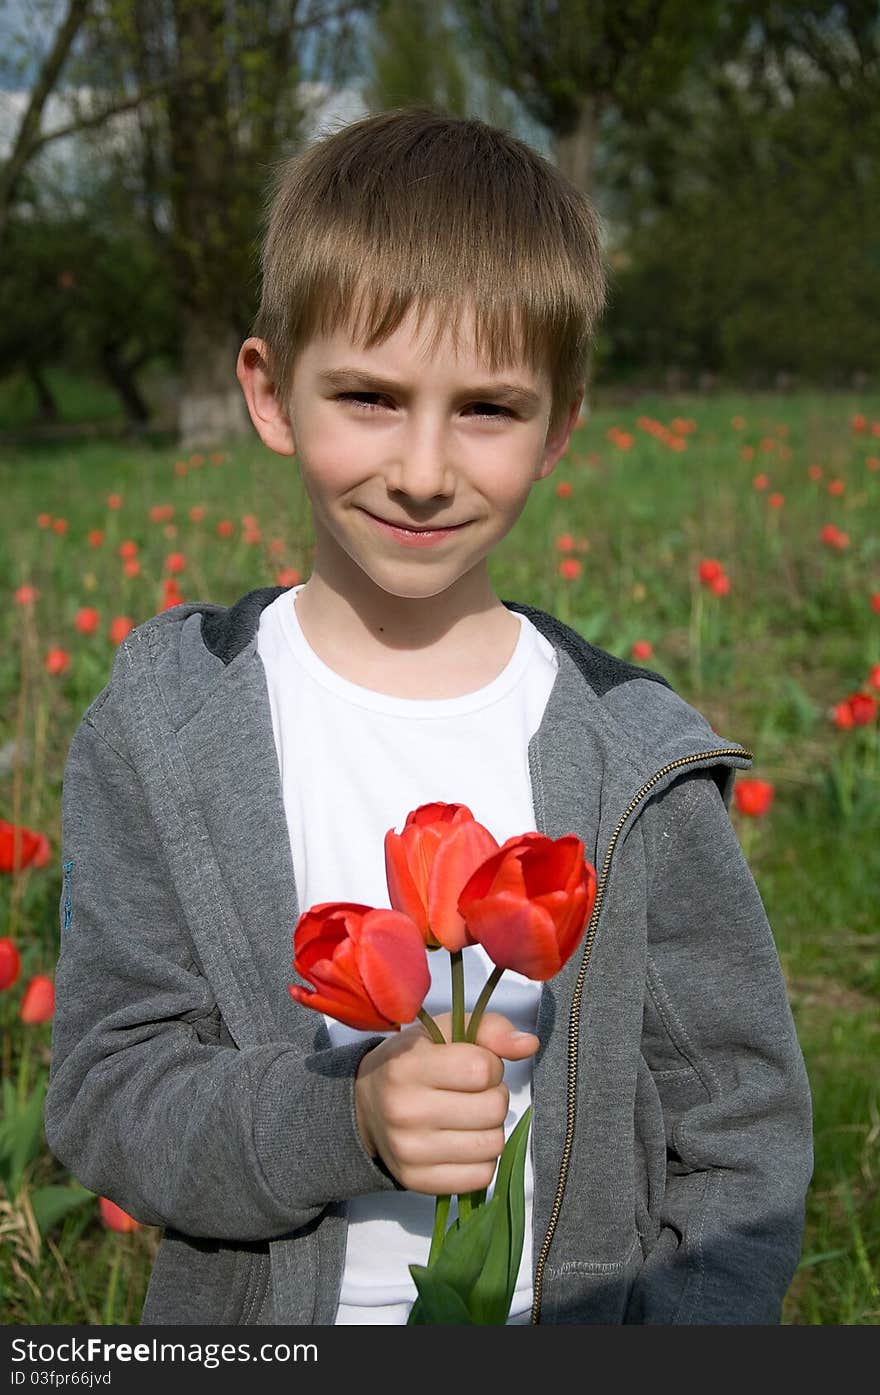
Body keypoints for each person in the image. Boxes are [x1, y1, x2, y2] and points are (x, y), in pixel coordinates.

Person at [45, 106, 813, 1327]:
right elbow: (109, 1095)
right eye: (366, 395)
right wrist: (341, 1115)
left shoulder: (634, 761)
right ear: (269, 391)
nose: (419, 468)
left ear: (561, 420)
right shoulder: (169, 728)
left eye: (487, 410)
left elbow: (738, 1126)